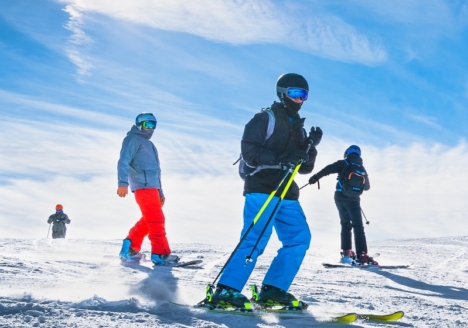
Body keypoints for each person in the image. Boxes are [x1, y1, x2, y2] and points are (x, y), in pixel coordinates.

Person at [202, 73, 323, 310]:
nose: (299, 100)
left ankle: (273, 290)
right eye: (295, 94)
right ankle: (227, 290)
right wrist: (283, 158)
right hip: (262, 187)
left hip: (287, 191)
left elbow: (305, 168)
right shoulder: (264, 119)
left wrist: (311, 147)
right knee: (256, 238)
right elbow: (250, 152)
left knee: (299, 239)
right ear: (282, 93)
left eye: (304, 95)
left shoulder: (298, 128)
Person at [117, 113, 179, 265]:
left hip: (152, 188)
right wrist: (122, 183)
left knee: (149, 219)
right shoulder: (132, 139)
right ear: (139, 124)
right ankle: (160, 254)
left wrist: (160, 192)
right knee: (157, 220)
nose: (151, 129)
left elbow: (156, 171)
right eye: (148, 125)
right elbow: (123, 161)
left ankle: (130, 246)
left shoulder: (150, 145)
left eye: (153, 125)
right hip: (142, 186)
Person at [308, 145, 376, 266]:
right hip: (354, 201)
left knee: (345, 224)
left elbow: (327, 169)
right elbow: (367, 188)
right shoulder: (362, 168)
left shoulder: (344, 163)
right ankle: (362, 254)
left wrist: (315, 178)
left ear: (347, 153)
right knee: (358, 226)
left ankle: (346, 253)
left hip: (340, 197)